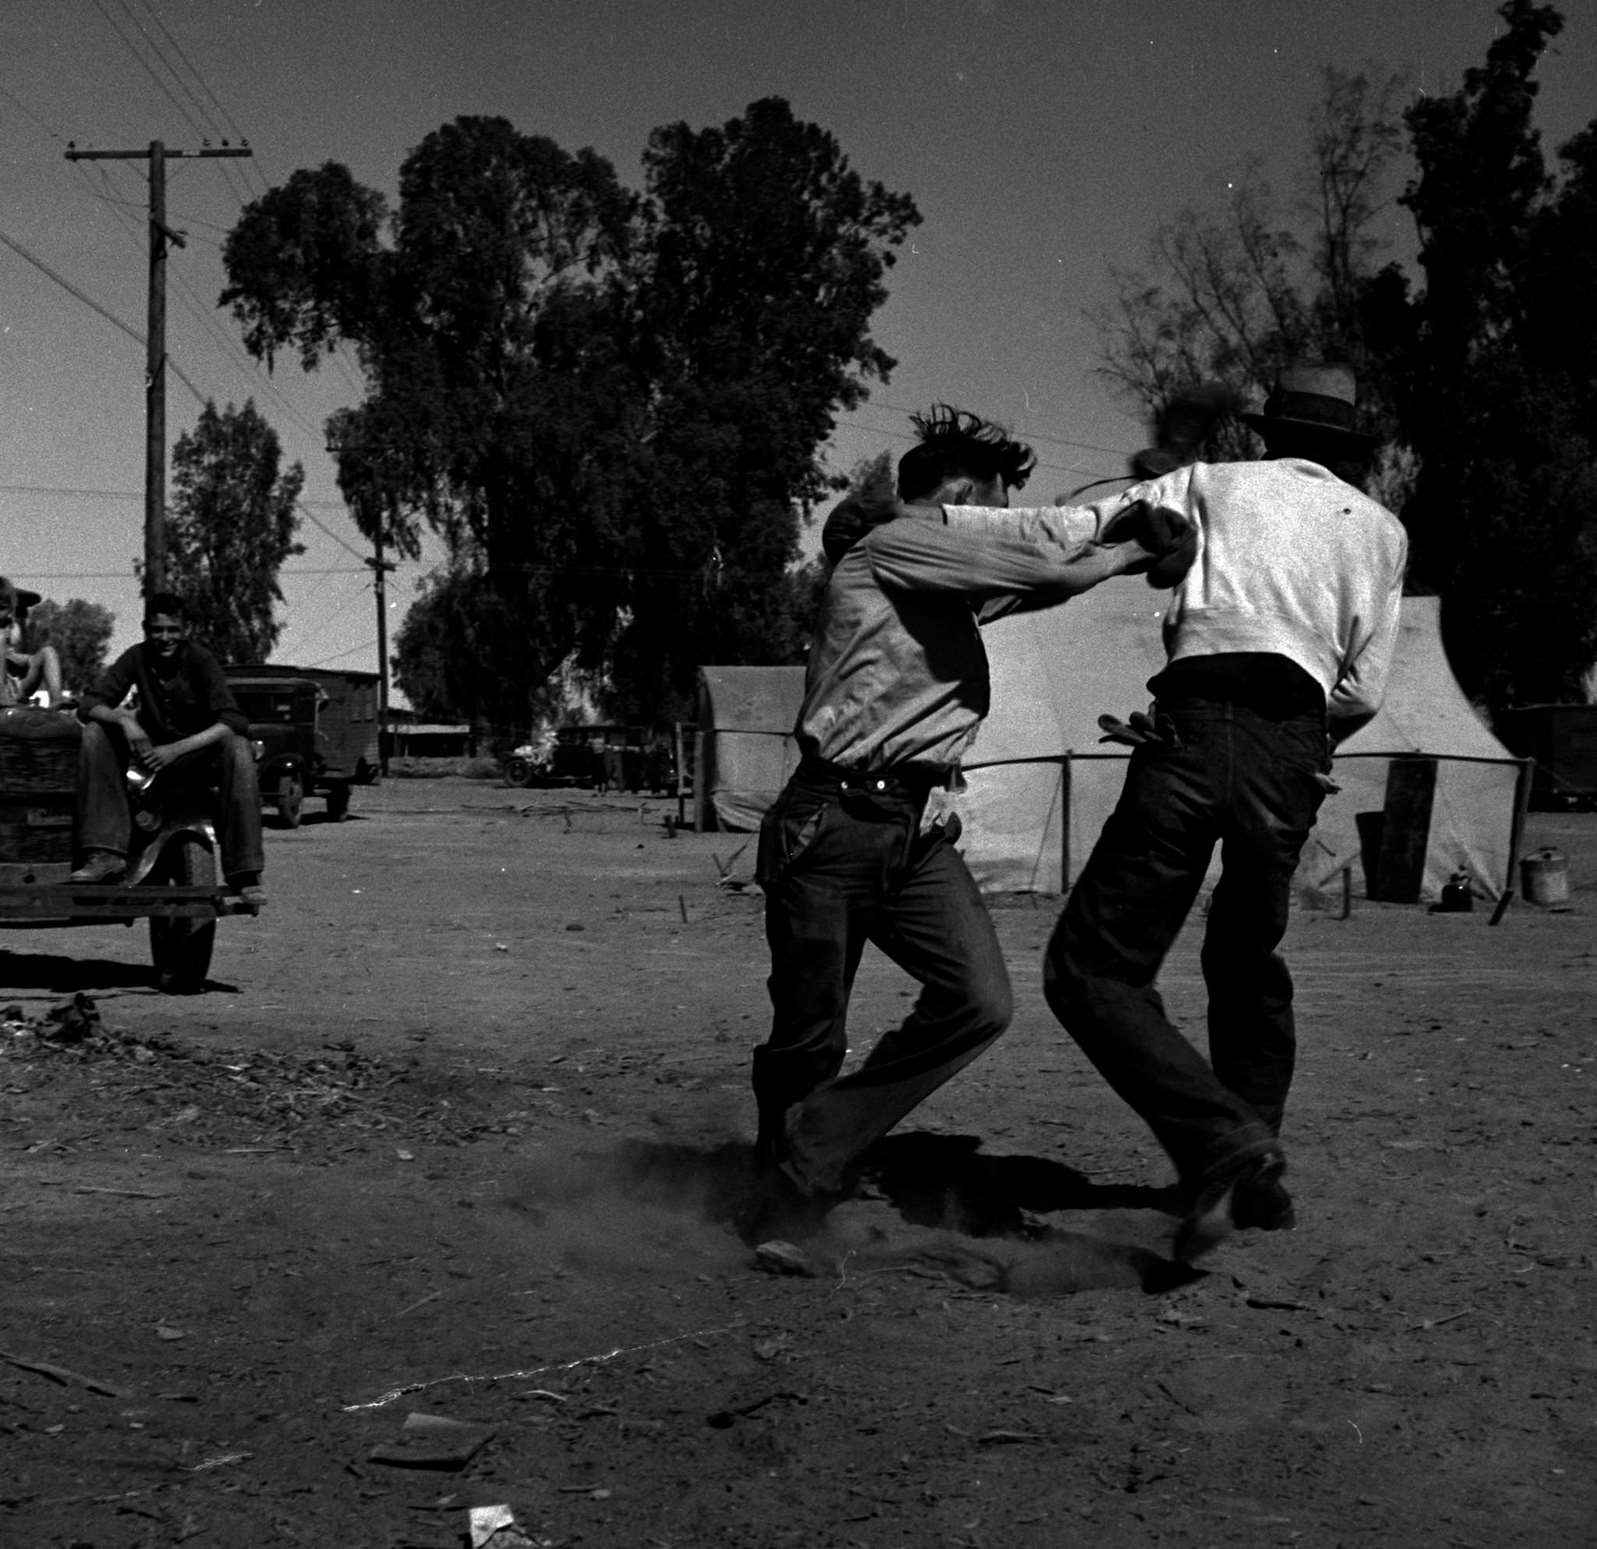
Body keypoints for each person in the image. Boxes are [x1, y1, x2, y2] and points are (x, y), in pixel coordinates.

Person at [752, 405, 1191, 1216]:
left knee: (977, 1001)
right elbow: (1047, 573)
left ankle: (810, 1147)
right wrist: (1129, 546)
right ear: (957, 499)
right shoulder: (893, 543)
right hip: (834, 818)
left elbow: (1029, 590)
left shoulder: (936, 581)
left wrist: (1119, 549)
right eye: (992, 509)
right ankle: (782, 1191)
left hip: (909, 828)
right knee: (809, 1031)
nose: (1001, 527)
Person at [1037, 361, 1409, 1260]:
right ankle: (1255, 1173)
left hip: (1196, 727)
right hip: (1294, 744)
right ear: (1345, 447)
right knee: (1246, 958)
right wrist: (1297, 746)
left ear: (1269, 431)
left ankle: (1223, 1142)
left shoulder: (1207, 483)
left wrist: (1158, 460)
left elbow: (1081, 521)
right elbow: (1361, 688)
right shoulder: (1381, 530)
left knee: (1094, 967)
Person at [70, 591, 265, 900]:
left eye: (172, 630)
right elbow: (90, 703)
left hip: (197, 757)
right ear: (146, 629)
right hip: (152, 757)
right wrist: (125, 721)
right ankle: (106, 854)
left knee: (239, 747)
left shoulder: (201, 659)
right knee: (95, 731)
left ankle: (245, 871)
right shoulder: (136, 656)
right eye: (157, 630)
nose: (164, 638)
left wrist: (176, 749)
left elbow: (233, 720)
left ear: (184, 630)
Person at [0, 578, 64, 709]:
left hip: (14, 687)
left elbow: (14, 657)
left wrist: (23, 659)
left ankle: (57, 698)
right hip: (3, 690)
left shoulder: (10, 629)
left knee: (48, 651)